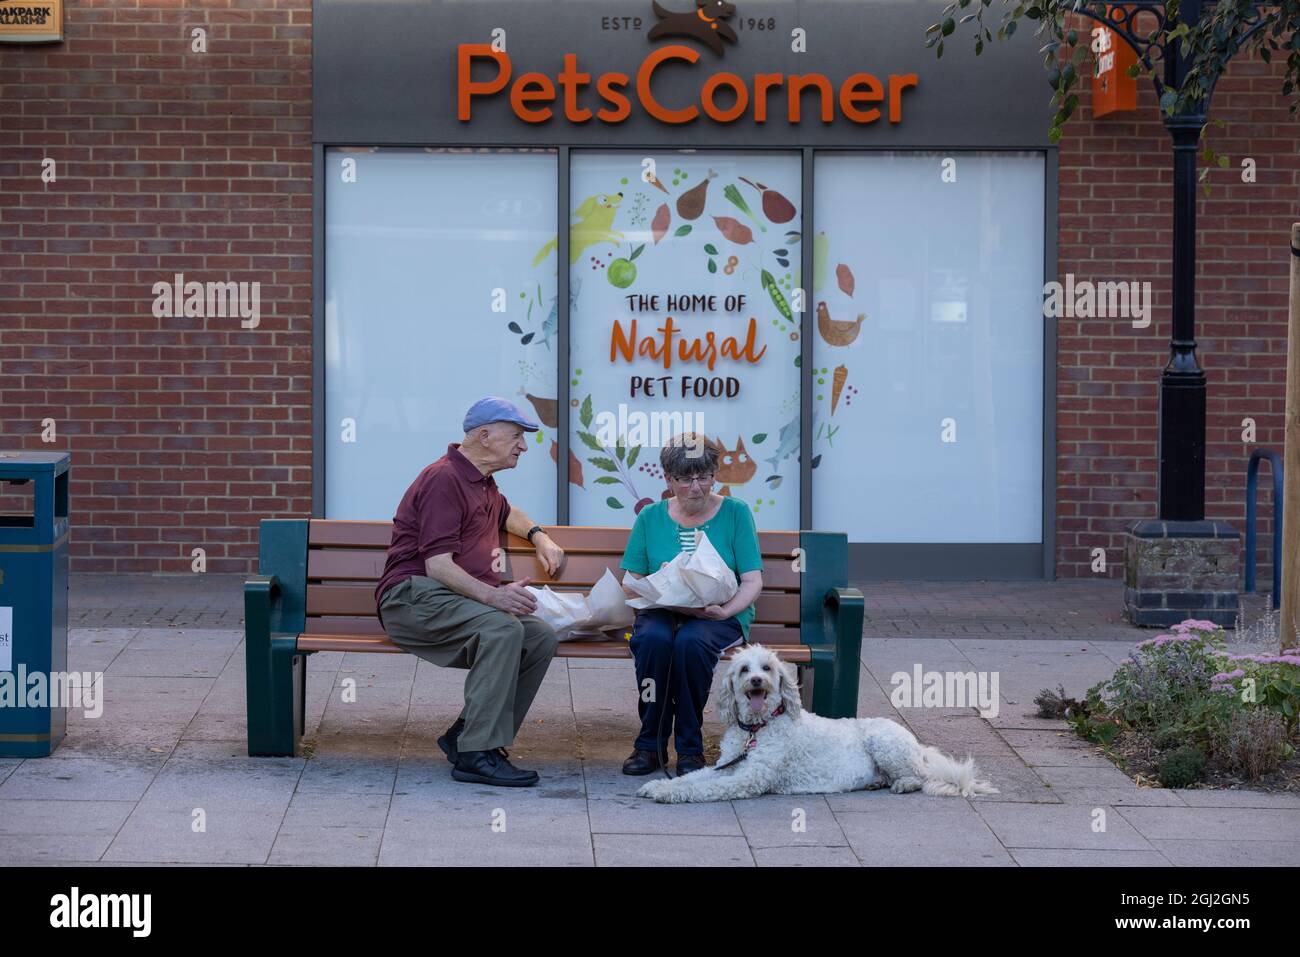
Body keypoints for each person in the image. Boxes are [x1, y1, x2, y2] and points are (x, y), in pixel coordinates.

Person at [374, 396, 565, 788]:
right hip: (412, 598)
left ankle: (466, 735)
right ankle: (477, 754)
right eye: (516, 436)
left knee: (540, 637)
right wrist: (495, 597)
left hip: (450, 601)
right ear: (484, 435)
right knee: (504, 629)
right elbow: (437, 565)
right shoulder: (444, 479)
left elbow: (508, 513)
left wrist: (540, 537)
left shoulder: (482, 482)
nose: (523, 447)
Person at [618, 432, 765, 777]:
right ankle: (649, 743)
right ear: (668, 480)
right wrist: (662, 586)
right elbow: (631, 579)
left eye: (704, 476)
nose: (696, 487)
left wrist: (726, 610)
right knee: (653, 641)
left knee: (691, 643)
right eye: (685, 479)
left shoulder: (735, 513)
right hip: (661, 610)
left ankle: (689, 747)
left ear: (715, 475)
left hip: (718, 614)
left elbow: (752, 580)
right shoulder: (651, 517)